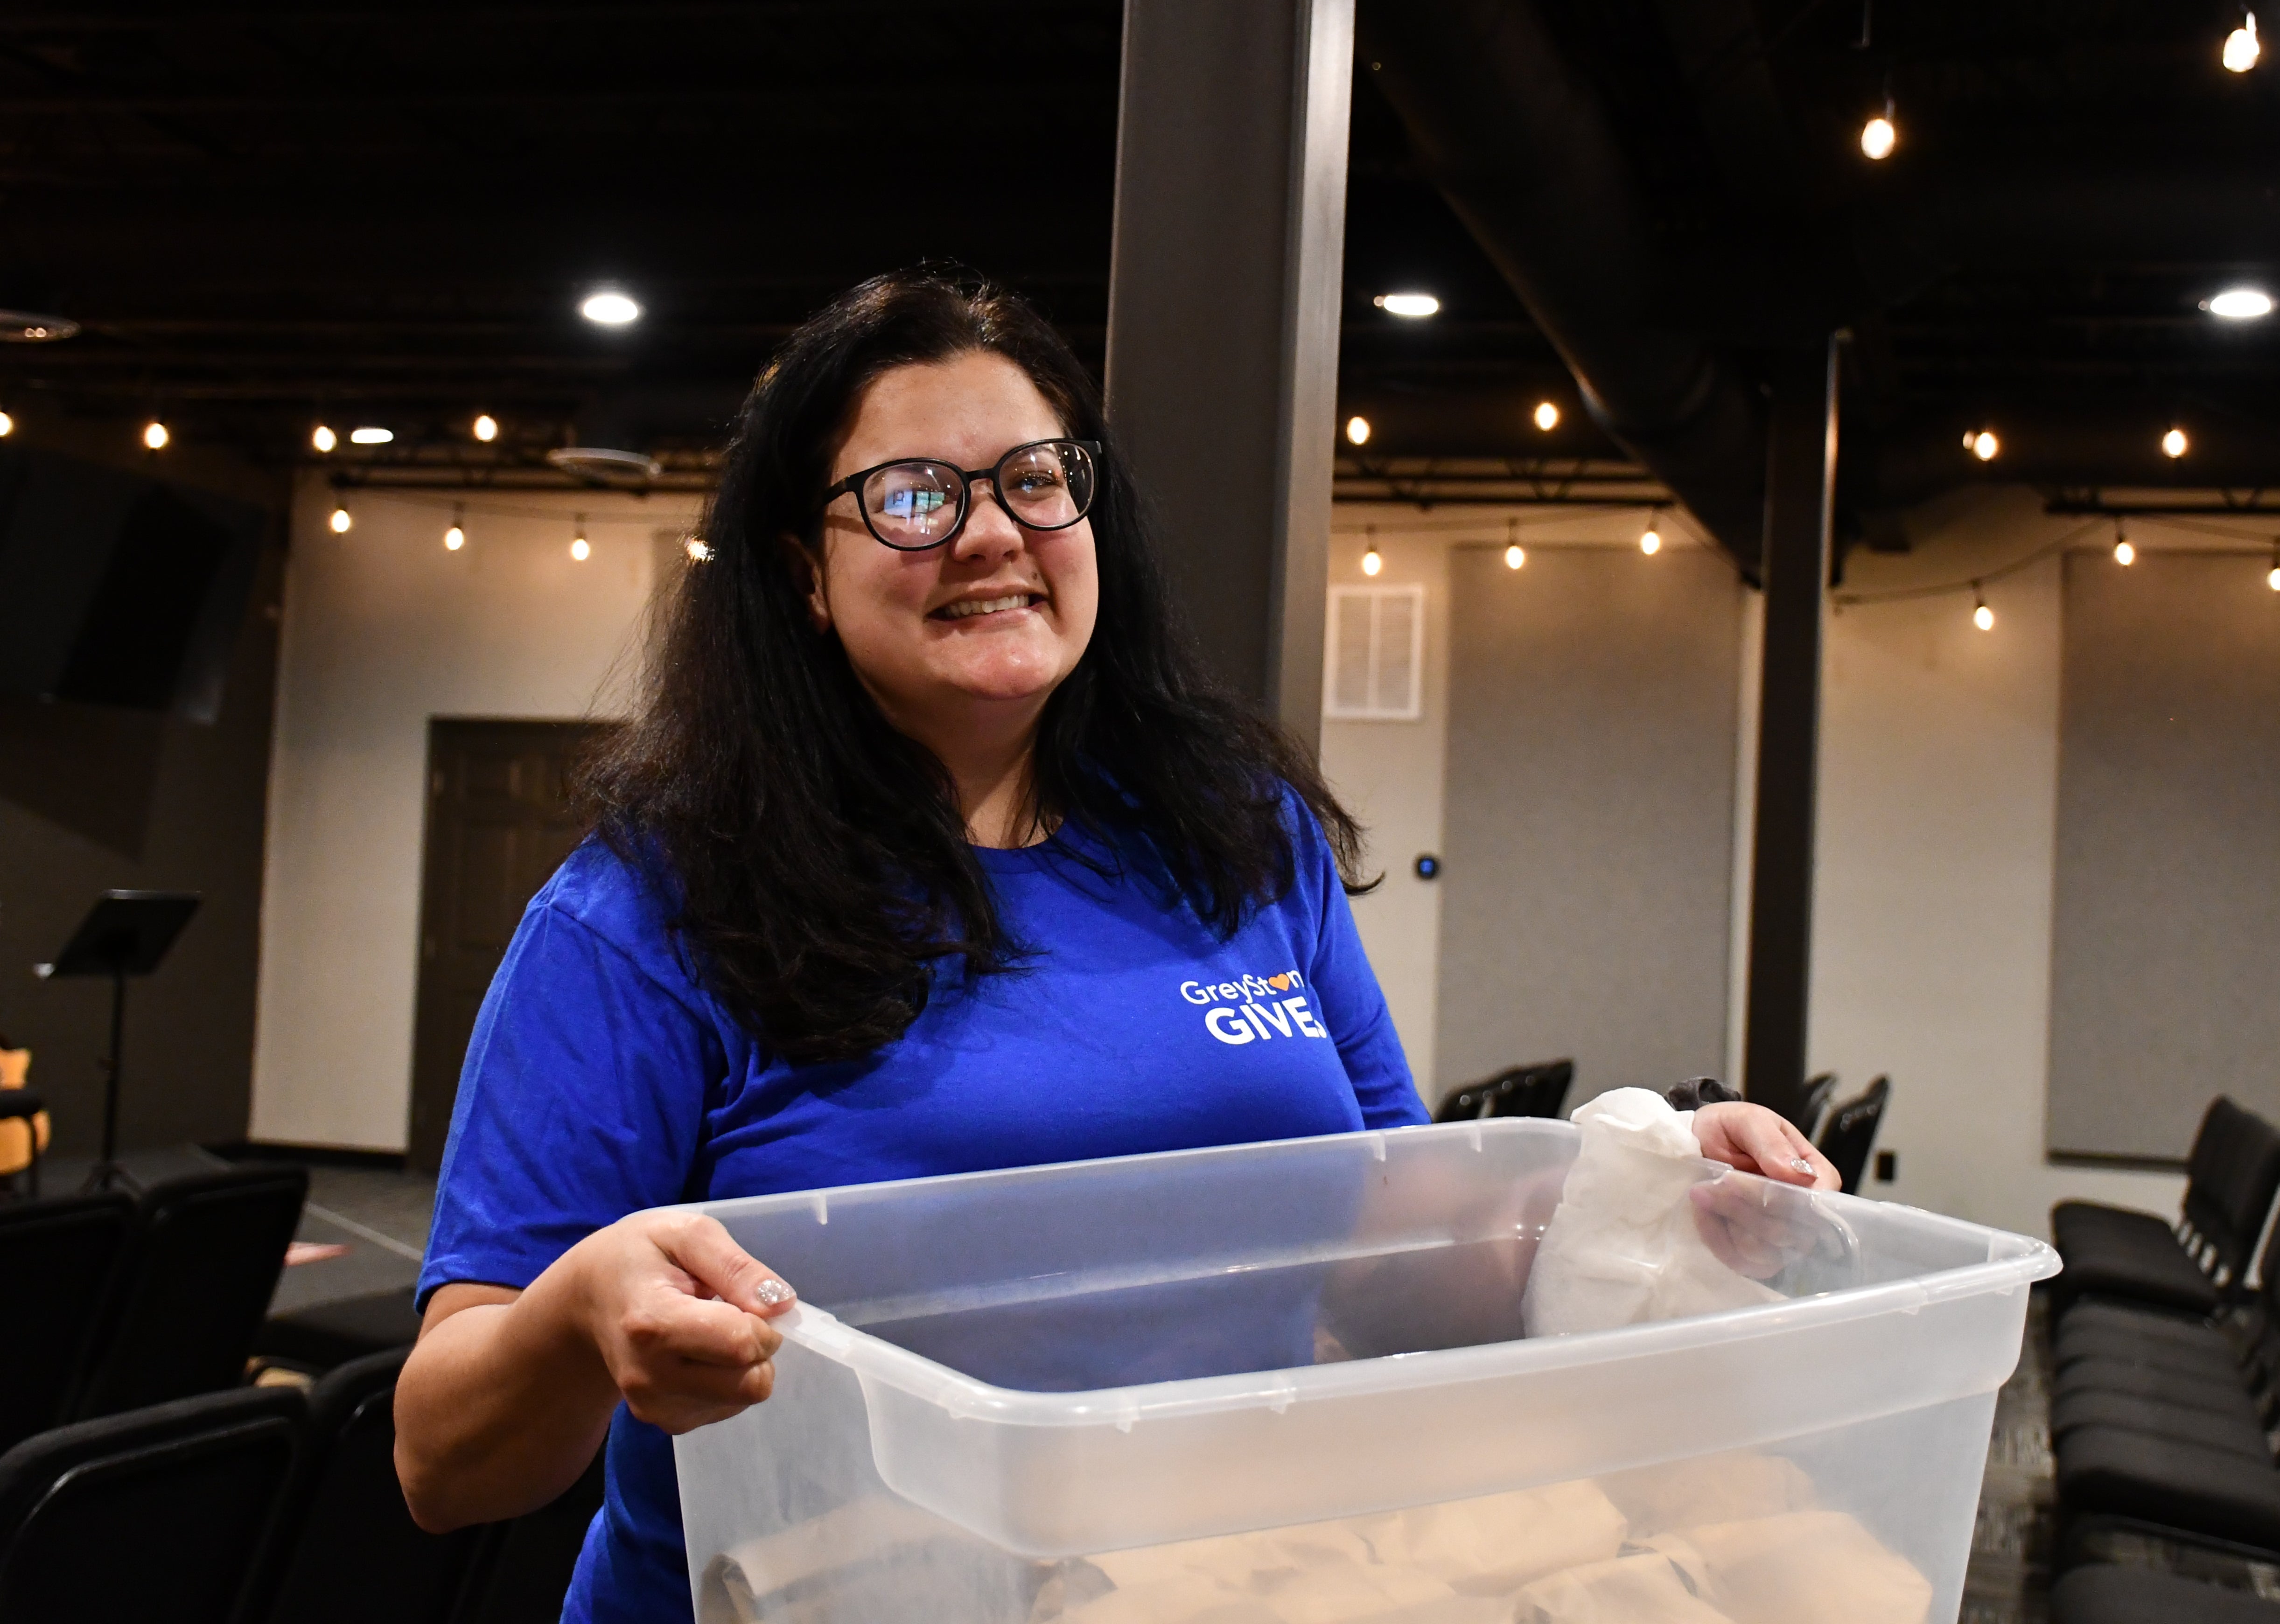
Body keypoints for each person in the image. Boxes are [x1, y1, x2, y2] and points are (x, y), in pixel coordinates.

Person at [391, 267, 1836, 1624]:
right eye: (910, 496)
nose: (991, 531)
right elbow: (444, 1461)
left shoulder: (1239, 841)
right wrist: (583, 1310)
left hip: (1211, 1587)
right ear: (801, 575)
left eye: (1034, 479)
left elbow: (1402, 1275)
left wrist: (1646, 1196)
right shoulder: (649, 910)